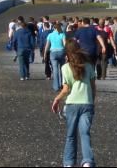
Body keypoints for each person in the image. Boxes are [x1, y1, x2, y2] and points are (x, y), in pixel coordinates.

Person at [51, 39, 96, 168]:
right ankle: (87, 161)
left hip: (72, 104)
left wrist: (57, 99)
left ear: (67, 53)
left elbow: (66, 89)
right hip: (87, 103)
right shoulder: (88, 66)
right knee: (85, 134)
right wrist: (92, 101)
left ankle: (69, 163)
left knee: (71, 135)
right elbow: (93, 87)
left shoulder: (65, 67)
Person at [44, 23, 66, 91]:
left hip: (53, 53)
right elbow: (65, 44)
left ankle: (56, 87)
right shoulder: (62, 34)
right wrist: (67, 53)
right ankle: (63, 85)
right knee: (62, 69)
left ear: (54, 28)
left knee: (55, 70)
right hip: (61, 52)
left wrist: (45, 54)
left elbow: (47, 46)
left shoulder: (50, 35)